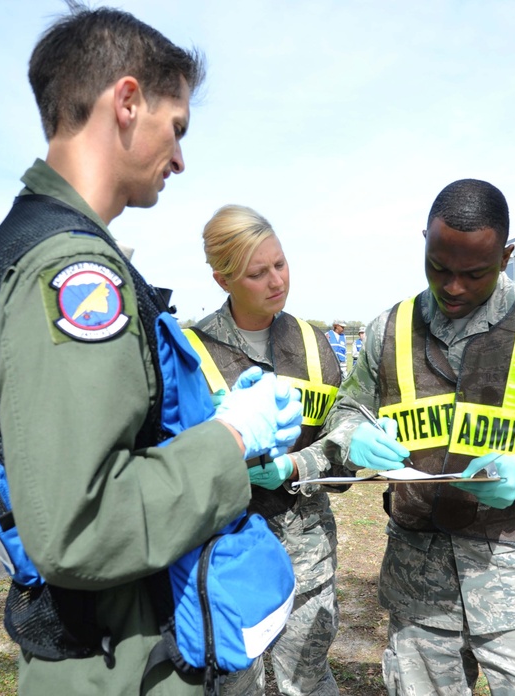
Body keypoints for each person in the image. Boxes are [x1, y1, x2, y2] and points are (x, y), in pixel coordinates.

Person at [0, 7, 300, 695]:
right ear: (126, 103)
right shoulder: (73, 272)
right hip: (126, 661)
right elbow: (79, 524)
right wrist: (231, 439)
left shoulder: (30, 243)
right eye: (175, 129)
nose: (180, 157)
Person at [320, 179, 515, 694]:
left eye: (474, 273)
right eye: (438, 267)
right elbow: (346, 410)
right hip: (420, 593)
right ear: (424, 242)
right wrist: (352, 439)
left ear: (506, 256)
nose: (453, 286)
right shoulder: (389, 330)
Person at [187, 204, 343, 695]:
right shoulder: (193, 351)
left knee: (308, 680)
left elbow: (341, 441)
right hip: (226, 556)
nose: (276, 280)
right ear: (222, 279)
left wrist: (307, 461)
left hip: (308, 554)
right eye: (257, 273)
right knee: (236, 687)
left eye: (280, 264)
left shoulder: (313, 344)